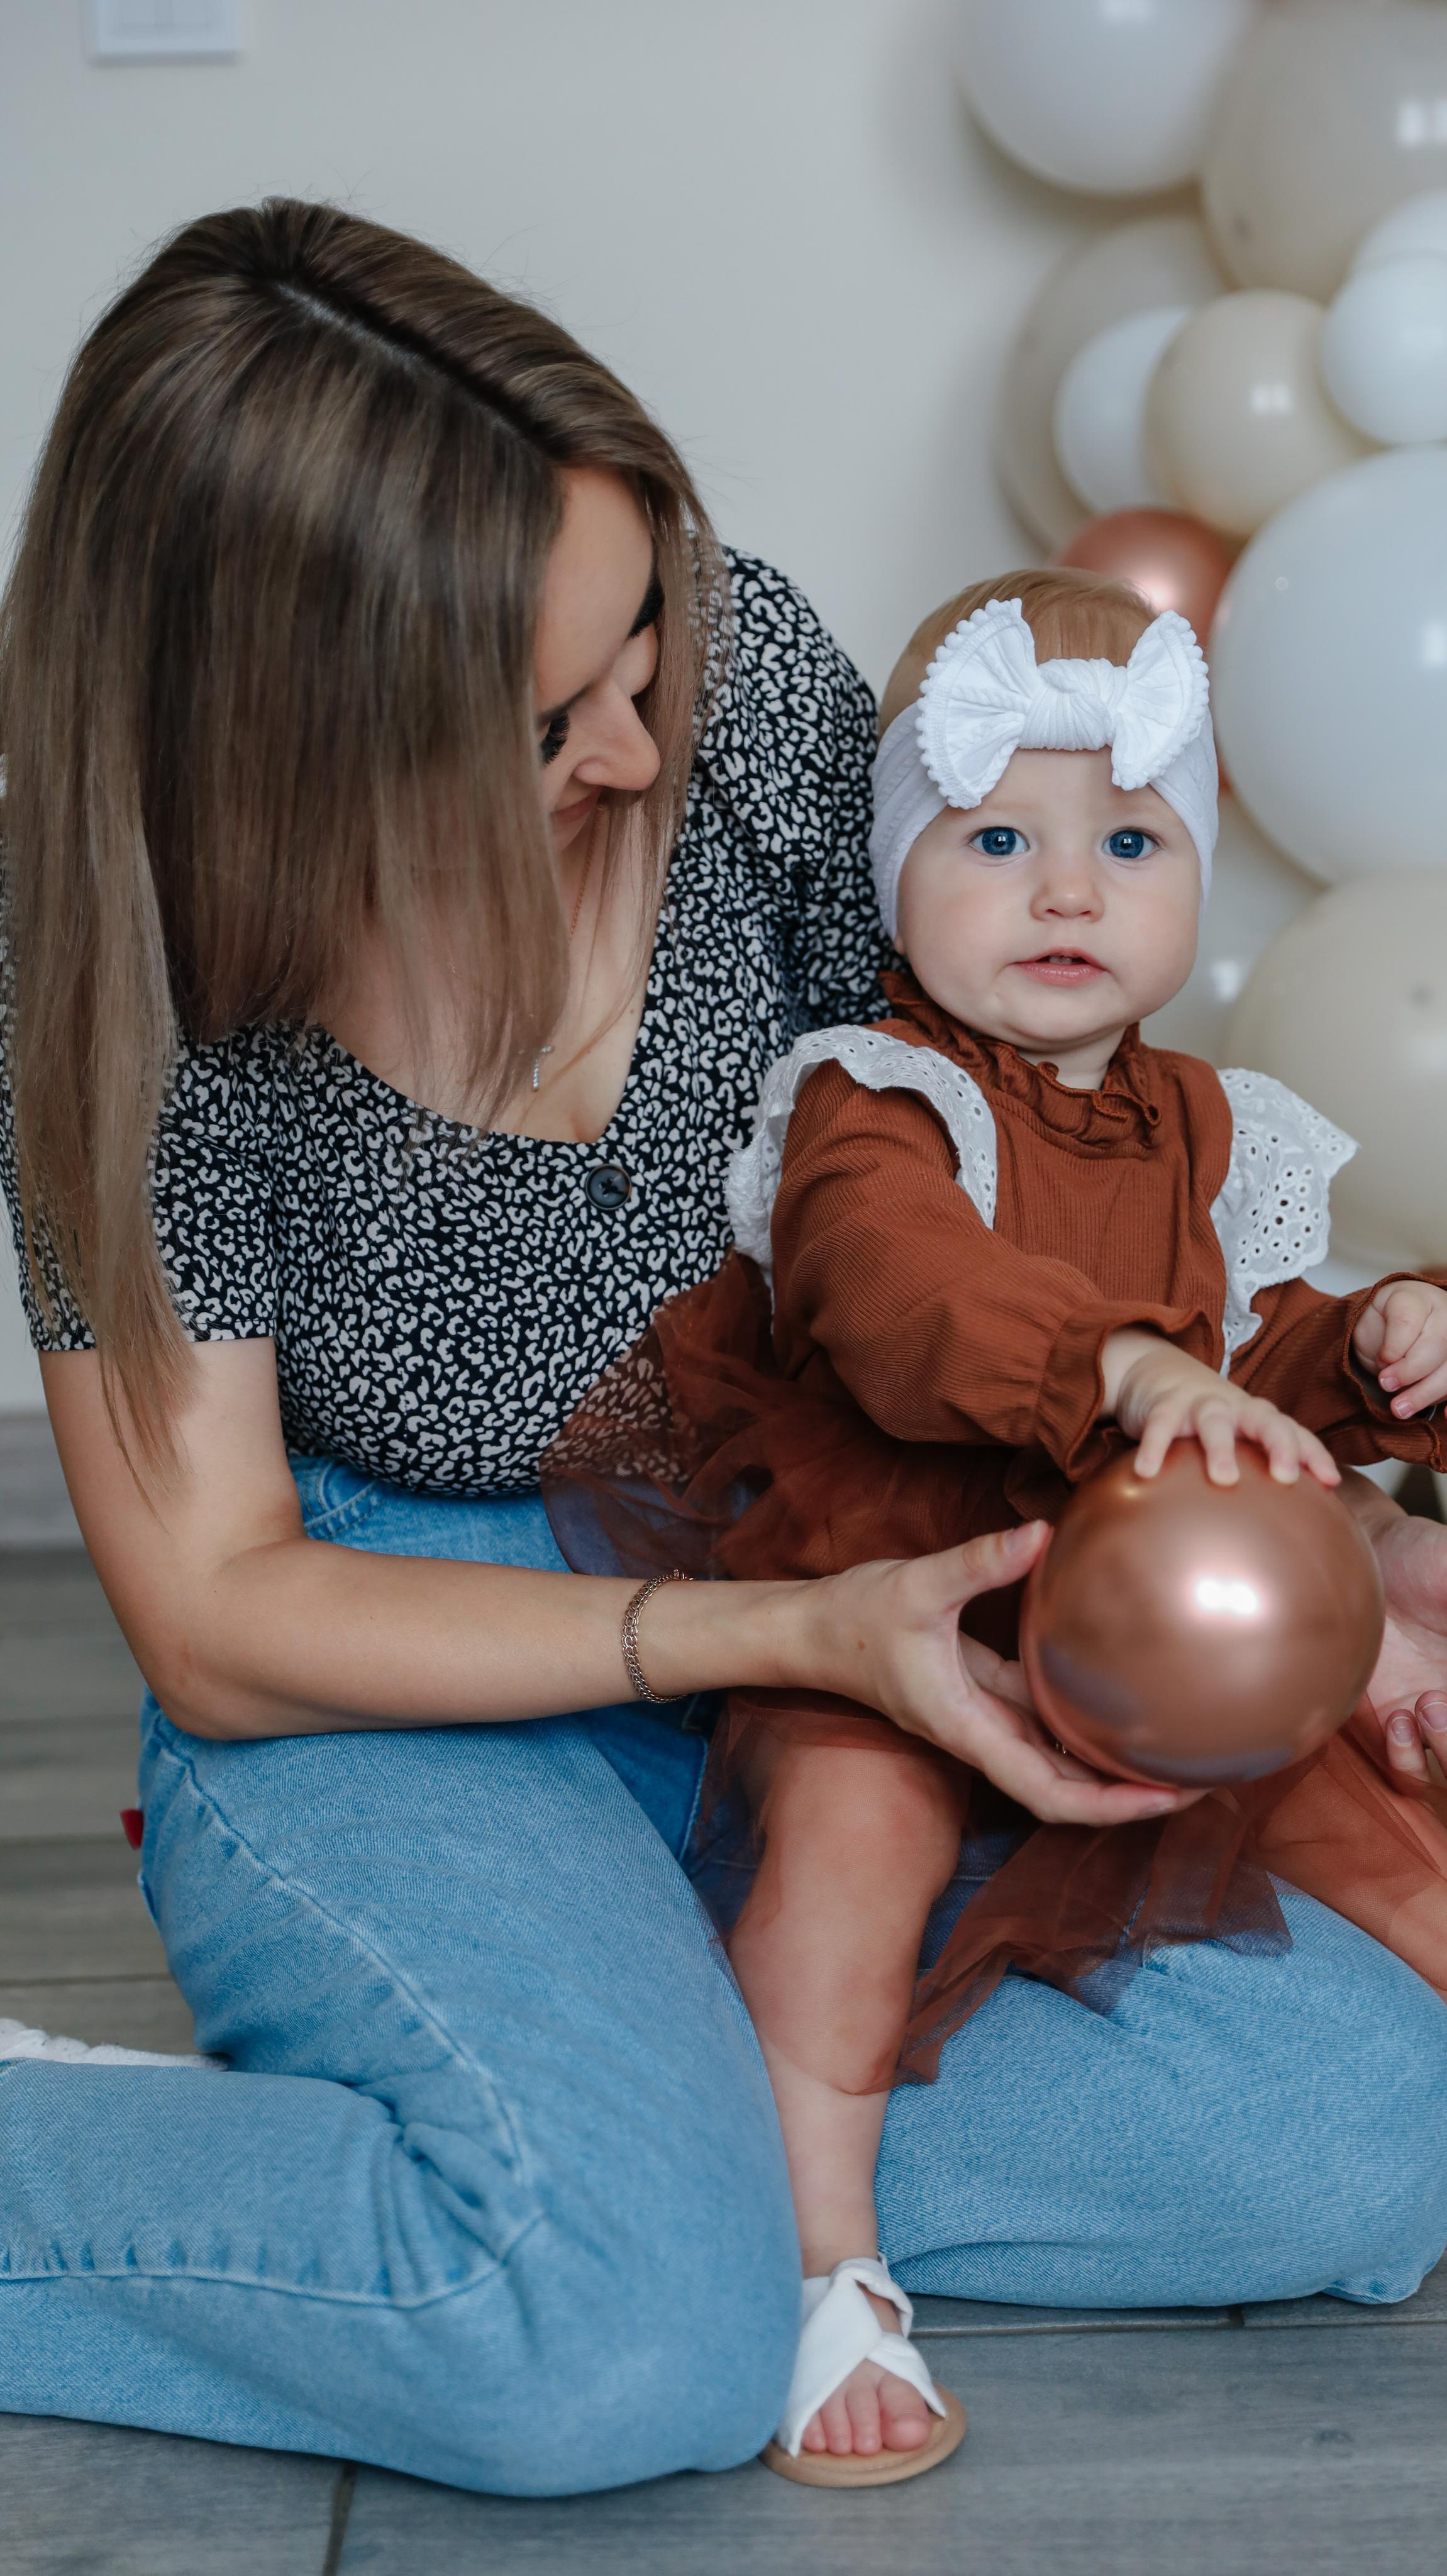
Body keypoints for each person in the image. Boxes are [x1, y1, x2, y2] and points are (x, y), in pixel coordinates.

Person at [0, 208, 1445, 2500]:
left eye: (644, 642)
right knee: (615, 2354)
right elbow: (222, 1608)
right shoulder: (126, 971)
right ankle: (539, 2175)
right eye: (543, 721)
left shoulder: (727, 672)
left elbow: (1002, 1156)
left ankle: (544, 2122)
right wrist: (791, 1638)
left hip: (827, 1539)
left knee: (1344, 2140)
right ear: (283, 748)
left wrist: (1319, 1517)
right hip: (409, 1649)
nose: (639, 738)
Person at [544, 570, 1447, 2484]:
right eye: (997, 839)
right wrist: (1121, 1366)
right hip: (901, 1600)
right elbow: (893, 1289)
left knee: (1389, 1843)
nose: (1066, 894)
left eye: (1129, 842)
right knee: (851, 1858)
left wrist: (1376, 1347)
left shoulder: (1209, 1125)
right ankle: (819, 2256)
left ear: (1195, 883)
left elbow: (1256, 1357)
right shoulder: (874, 1096)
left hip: (1147, 1638)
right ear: (896, 875)